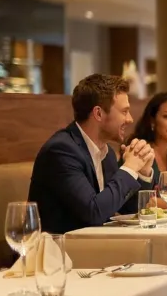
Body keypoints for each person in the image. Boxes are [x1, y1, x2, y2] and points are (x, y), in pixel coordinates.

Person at [28, 73, 155, 233]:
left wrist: (141, 171)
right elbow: (93, 213)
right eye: (124, 111)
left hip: (92, 247)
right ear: (98, 113)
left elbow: (126, 210)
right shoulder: (62, 151)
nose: (130, 119)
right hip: (59, 251)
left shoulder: (106, 152)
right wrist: (129, 168)